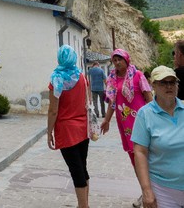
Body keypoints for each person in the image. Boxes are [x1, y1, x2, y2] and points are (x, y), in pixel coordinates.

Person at [101, 48, 153, 208]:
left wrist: (156, 121)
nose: (117, 63)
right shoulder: (112, 79)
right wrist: (107, 120)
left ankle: (152, 192)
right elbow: (112, 103)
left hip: (142, 124)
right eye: (114, 60)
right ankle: (144, 192)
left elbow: (149, 99)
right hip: (125, 126)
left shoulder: (138, 76)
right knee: (135, 161)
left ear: (126, 60)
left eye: (120, 59)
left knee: (148, 159)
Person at [132, 65, 184, 208]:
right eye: (163, 82)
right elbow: (140, 152)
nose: (169, 86)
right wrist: (146, 190)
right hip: (163, 189)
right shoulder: (145, 114)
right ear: (153, 85)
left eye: (172, 82)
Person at [47, 45, 90, 208]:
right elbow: (88, 101)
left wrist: (49, 131)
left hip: (66, 130)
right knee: (82, 167)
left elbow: (53, 110)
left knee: (75, 170)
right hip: (82, 129)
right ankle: (85, 204)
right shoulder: (81, 77)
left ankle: (83, 206)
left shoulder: (56, 79)